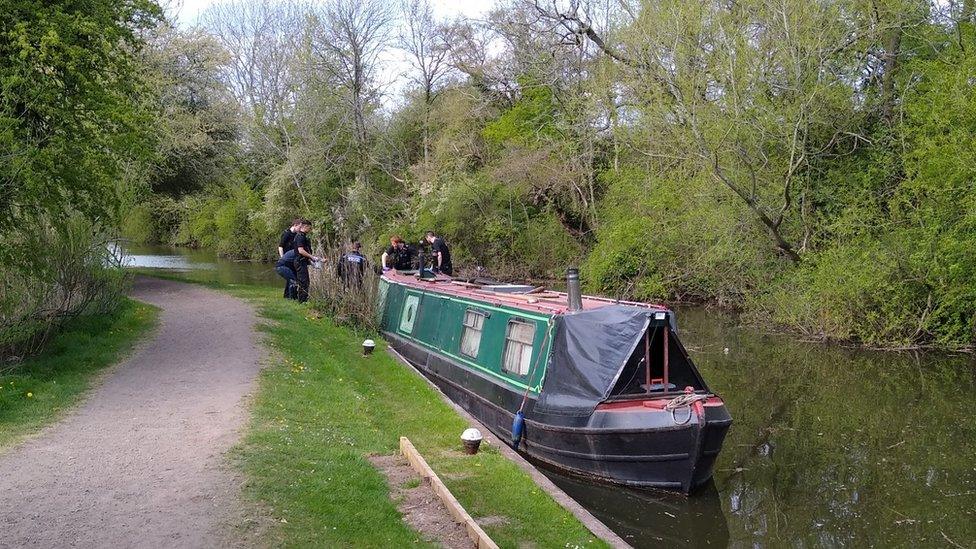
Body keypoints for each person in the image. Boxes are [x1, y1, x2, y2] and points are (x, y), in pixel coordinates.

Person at [291, 219, 321, 304]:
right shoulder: (300, 236)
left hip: (302, 261)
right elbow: (301, 250)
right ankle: (302, 301)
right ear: (305, 226)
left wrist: (314, 261)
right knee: (304, 282)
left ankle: (303, 300)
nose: (310, 230)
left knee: (304, 281)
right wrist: (312, 257)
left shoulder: (302, 236)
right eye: (309, 228)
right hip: (300, 262)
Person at [277, 218, 301, 298]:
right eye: (299, 227)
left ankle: (288, 295)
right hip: (286, 259)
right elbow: (280, 246)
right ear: (295, 225)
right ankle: (289, 296)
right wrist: (282, 257)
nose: (300, 229)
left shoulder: (296, 235)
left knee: (291, 277)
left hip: (292, 258)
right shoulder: (287, 234)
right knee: (290, 277)